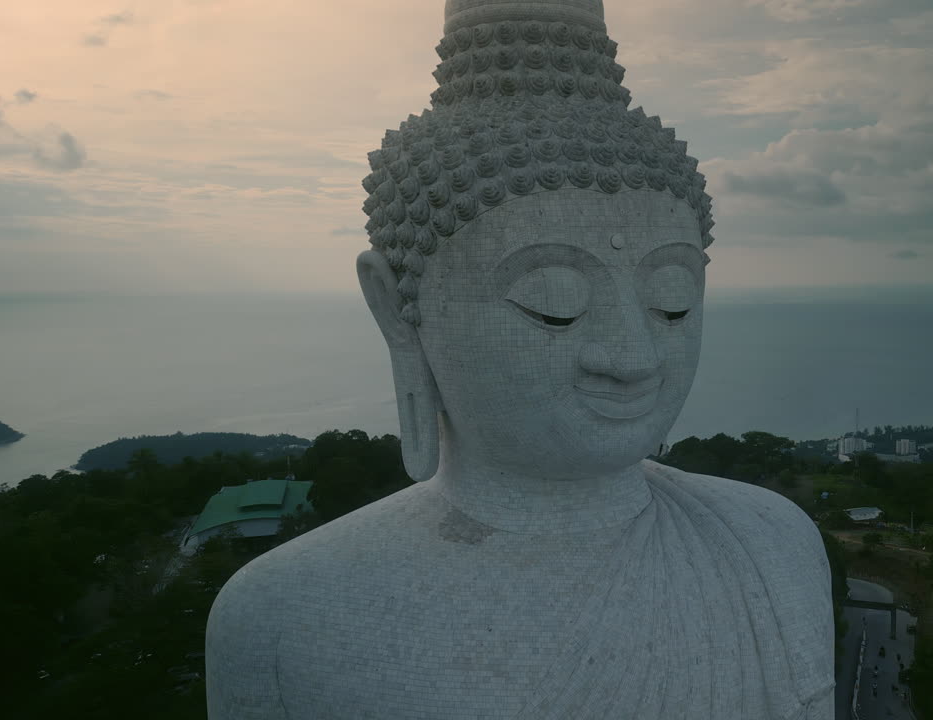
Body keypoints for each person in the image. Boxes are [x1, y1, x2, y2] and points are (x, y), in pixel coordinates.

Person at [203, 1, 837, 718]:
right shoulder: (289, 615)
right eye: (555, 305)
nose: (631, 356)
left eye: (672, 302)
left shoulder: (772, 542)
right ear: (397, 310)